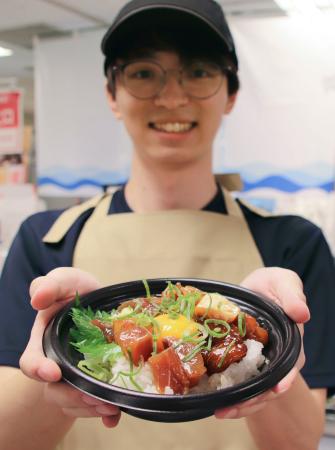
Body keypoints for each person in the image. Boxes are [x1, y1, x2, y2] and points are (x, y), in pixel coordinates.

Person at [0, 1, 334, 449]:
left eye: (198, 72)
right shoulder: (46, 240)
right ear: (111, 94)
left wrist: (276, 337)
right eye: (143, 73)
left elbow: (297, 443)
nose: (172, 97)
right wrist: (57, 349)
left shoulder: (295, 243)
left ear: (230, 94)